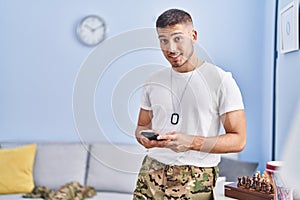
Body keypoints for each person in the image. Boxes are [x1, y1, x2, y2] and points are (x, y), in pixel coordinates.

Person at [133, 8, 246, 200]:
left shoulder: (221, 80)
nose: (171, 48)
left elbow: (238, 140)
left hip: (197, 178)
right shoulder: (153, 81)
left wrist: (191, 142)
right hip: (151, 172)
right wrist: (143, 138)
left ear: (193, 35)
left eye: (178, 38)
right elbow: (142, 126)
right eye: (163, 40)